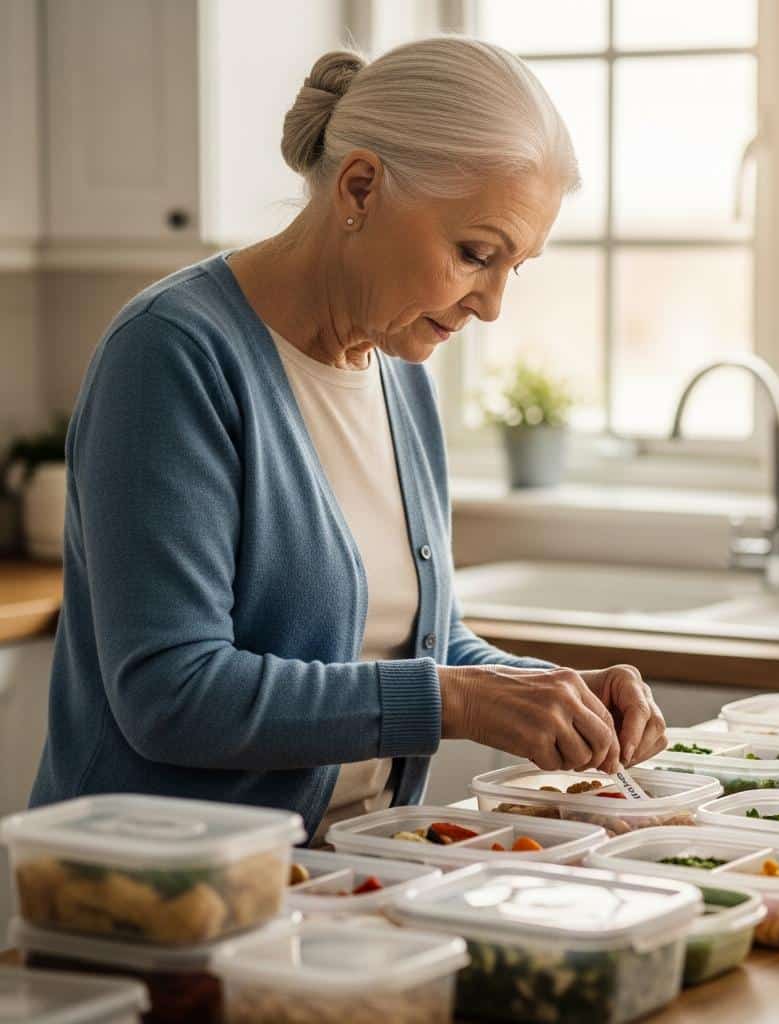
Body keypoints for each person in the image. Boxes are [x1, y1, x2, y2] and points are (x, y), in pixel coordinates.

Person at [30, 37, 667, 842]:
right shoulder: (172, 353)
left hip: (344, 889)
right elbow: (172, 694)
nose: (493, 304)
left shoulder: (398, 371)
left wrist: (544, 688)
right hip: (160, 903)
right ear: (360, 187)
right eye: (476, 254)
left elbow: (407, 643)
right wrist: (458, 700)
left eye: (517, 267)